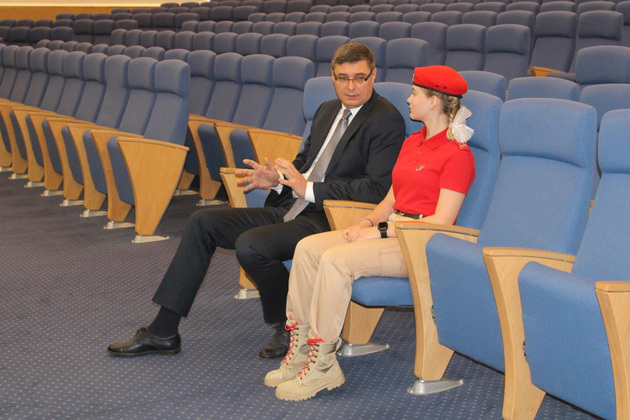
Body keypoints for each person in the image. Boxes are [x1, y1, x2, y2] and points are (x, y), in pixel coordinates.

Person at [106, 43, 406, 359]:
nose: (351, 86)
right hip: (290, 207)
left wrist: (308, 189)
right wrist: (276, 180)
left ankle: (289, 325)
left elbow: (375, 189)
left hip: (330, 218)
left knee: (251, 245)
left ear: (373, 75)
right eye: (343, 78)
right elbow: (305, 163)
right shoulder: (327, 110)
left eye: (359, 77)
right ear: (333, 76)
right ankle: (163, 330)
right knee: (202, 222)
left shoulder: (386, 119)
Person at [265, 65, 476, 401]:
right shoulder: (413, 143)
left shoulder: (457, 154)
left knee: (335, 260)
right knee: (306, 248)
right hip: (390, 231)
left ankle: (323, 364)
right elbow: (390, 200)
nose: (409, 100)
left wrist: (380, 231)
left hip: (420, 244)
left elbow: (442, 221)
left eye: (415, 94)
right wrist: (364, 223)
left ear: (434, 101)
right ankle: (302, 349)